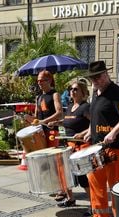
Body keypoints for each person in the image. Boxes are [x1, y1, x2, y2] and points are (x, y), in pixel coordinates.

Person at [82, 61, 119, 217]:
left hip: (114, 147)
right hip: (97, 146)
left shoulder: (116, 92)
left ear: (105, 75)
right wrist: (90, 131)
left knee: (116, 187)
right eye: (91, 78)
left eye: (97, 77)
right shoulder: (96, 92)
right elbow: (96, 116)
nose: (94, 80)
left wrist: (113, 132)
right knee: (95, 181)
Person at [48, 78, 91, 208]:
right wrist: (57, 123)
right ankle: (70, 198)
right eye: (71, 89)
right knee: (65, 173)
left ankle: (94, 204)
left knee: (83, 177)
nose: (72, 91)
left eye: (75, 89)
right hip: (68, 145)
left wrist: (83, 133)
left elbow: (94, 124)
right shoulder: (70, 107)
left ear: (83, 92)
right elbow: (68, 121)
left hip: (81, 146)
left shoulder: (86, 107)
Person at [25, 70, 64, 199]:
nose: (39, 83)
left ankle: (61, 190)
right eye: (38, 81)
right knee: (43, 161)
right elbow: (37, 116)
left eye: (42, 80)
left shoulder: (55, 95)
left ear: (49, 80)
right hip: (40, 132)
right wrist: (29, 119)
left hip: (51, 130)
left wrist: (43, 121)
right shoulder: (38, 97)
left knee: (54, 161)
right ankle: (51, 186)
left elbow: (59, 112)